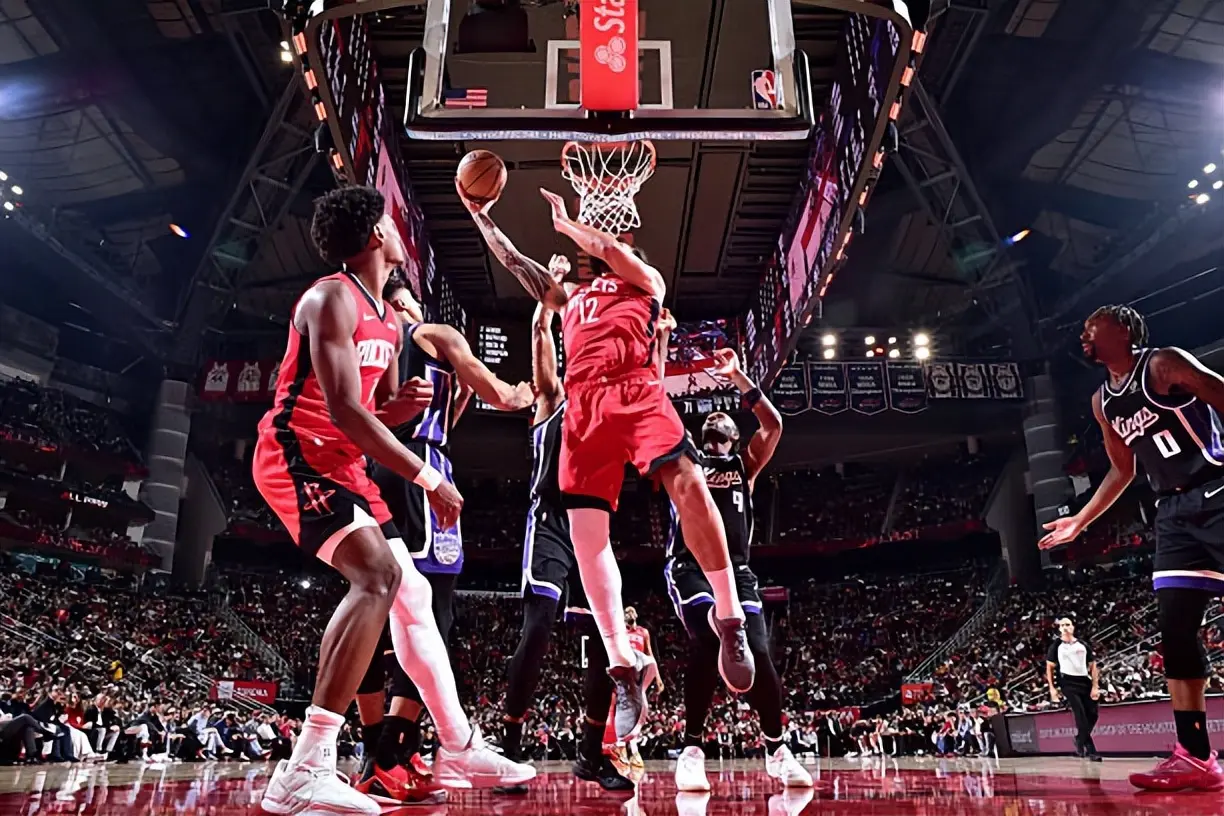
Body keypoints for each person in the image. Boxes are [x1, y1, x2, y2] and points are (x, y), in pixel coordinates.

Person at [252, 185, 533, 815]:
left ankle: (458, 743)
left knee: (416, 596)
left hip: (344, 464)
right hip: (297, 453)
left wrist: (398, 410)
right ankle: (306, 766)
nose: (400, 232)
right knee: (377, 577)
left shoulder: (385, 317)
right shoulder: (331, 297)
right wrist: (429, 478)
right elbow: (344, 411)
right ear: (376, 234)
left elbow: (369, 410)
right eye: (391, 221)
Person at [463, 182, 753, 742]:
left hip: (636, 391)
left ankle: (729, 616)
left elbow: (612, 249)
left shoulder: (648, 284)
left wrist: (568, 224)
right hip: (584, 405)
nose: (595, 255)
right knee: (587, 537)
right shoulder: (572, 297)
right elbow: (516, 264)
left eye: (606, 251)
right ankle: (622, 666)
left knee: (689, 482)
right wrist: (482, 218)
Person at [355, 272, 533, 803]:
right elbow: (499, 392)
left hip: (374, 469)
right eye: (412, 300)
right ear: (401, 304)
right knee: (432, 613)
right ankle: (393, 750)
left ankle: (379, 750)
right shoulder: (427, 333)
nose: (417, 307)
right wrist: (520, 393)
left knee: (379, 607)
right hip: (420, 470)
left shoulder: (367, 350)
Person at [1040, 304, 1224, 792]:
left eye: (1091, 327)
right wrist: (1080, 520)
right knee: (1176, 630)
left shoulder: (1163, 364)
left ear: (1122, 329)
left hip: (1217, 489)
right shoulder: (1103, 401)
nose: (1083, 335)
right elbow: (1123, 470)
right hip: (1173, 514)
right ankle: (1196, 757)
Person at [497, 295, 635, 794]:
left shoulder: (606, 411)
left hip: (590, 530)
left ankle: (592, 754)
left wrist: (656, 339)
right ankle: (510, 747)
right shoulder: (553, 399)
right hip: (550, 524)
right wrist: (545, 307)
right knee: (539, 626)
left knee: (605, 637)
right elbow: (541, 339)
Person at [669, 348, 811, 792]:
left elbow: (774, 425)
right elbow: (658, 415)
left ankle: (777, 750)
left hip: (738, 570)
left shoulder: (743, 465)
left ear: (732, 435)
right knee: (710, 637)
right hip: (691, 567)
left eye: (723, 421)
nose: (716, 421)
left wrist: (737, 377)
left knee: (760, 653)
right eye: (710, 422)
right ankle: (692, 751)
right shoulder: (686, 459)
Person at [605, 606, 663, 776]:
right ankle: (623, 748)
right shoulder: (620, 632)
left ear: (636, 615)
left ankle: (632, 750)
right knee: (623, 709)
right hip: (625, 671)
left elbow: (650, 654)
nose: (629, 613)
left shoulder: (643, 632)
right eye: (626, 612)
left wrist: (658, 677)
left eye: (631, 611)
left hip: (639, 671)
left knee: (638, 711)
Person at [1046, 617, 1101, 761]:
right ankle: (1091, 750)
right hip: (1067, 682)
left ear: (1073, 627)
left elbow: (1093, 665)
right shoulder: (1056, 646)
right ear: (1059, 629)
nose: (1065, 627)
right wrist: (1052, 688)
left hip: (1084, 680)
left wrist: (1095, 686)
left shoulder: (1082, 644)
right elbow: (1049, 667)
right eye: (1062, 625)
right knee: (1080, 715)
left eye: (1068, 624)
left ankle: (1079, 739)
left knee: (1093, 714)